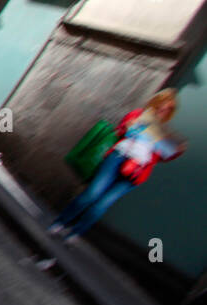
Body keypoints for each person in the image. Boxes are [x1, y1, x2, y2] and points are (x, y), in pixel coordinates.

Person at [49, 89, 186, 243]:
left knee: (101, 205)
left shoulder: (164, 133)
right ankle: (61, 222)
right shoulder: (139, 115)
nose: (163, 110)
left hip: (136, 172)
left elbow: (163, 156)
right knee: (92, 194)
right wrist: (128, 126)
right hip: (118, 158)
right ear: (156, 103)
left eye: (169, 109)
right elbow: (121, 130)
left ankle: (74, 233)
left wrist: (177, 151)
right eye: (162, 105)